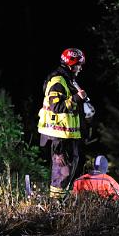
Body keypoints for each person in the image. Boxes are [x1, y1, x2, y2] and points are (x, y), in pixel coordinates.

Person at [37, 48, 88, 199]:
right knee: (62, 171)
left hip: (66, 134)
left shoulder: (68, 79)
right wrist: (77, 98)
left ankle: (62, 199)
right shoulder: (58, 81)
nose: (81, 68)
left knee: (69, 167)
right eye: (79, 64)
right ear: (71, 64)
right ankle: (55, 204)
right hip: (58, 134)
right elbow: (56, 106)